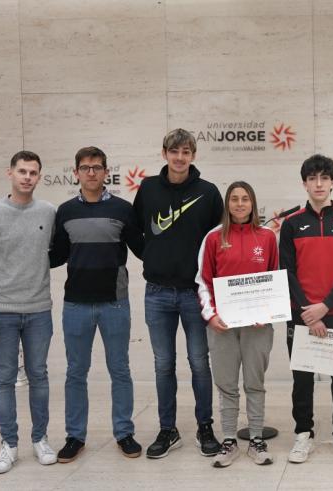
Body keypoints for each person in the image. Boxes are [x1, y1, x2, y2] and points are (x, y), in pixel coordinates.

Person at [133, 129, 224, 459]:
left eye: (186, 151)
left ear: (194, 155)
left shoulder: (209, 192)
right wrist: (154, 257)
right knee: (163, 365)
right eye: (174, 151)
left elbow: (219, 241)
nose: (180, 157)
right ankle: (167, 429)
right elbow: (135, 230)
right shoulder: (147, 189)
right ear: (164, 153)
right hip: (156, 293)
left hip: (194, 293)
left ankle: (205, 426)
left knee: (200, 363)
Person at [49, 146, 144, 463]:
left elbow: (144, 249)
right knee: (76, 372)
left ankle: (124, 433)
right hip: (76, 304)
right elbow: (57, 256)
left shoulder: (123, 209)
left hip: (115, 304)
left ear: (106, 172)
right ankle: (75, 436)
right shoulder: (64, 212)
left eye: (97, 167)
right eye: (85, 167)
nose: (91, 172)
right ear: (76, 172)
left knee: (120, 370)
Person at [0, 150, 57, 474]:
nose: (27, 177)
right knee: (4, 378)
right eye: (22, 171)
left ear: (39, 176)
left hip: (38, 311)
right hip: (1, 313)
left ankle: (40, 439)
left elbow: (57, 252)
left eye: (33, 172)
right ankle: (9, 444)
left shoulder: (48, 212)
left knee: (39, 376)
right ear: (10, 173)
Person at [280, 154, 333, 464]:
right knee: (302, 380)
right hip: (301, 314)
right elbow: (286, 272)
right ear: (304, 183)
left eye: (324, 178)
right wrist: (308, 310)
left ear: (332, 182)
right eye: (312, 179)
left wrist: (325, 307)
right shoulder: (291, 224)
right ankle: (304, 435)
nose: (318, 184)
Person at [196, 181, 279, 467]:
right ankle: (229, 440)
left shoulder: (267, 237)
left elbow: (274, 280)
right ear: (227, 204)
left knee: (255, 383)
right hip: (222, 325)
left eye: (245, 199)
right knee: (227, 385)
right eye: (234, 199)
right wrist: (211, 315)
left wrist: (267, 312)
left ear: (253, 203)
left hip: (258, 325)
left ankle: (256, 439)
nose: (240, 204)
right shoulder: (214, 237)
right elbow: (203, 281)